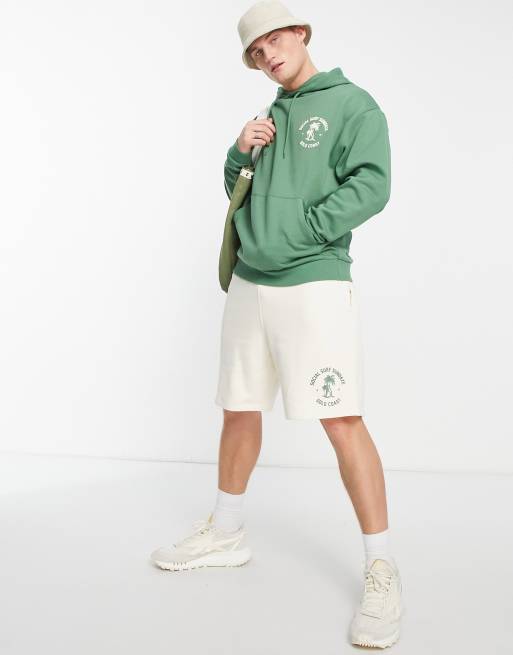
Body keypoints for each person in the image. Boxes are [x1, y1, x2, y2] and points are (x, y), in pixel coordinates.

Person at [150, 0, 403, 648]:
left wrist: (304, 230)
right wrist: (239, 150)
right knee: (238, 408)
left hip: (312, 284)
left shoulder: (353, 106)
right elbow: (237, 188)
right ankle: (227, 530)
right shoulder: (270, 113)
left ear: (299, 32)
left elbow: (371, 185)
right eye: (256, 53)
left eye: (273, 42)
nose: (267, 57)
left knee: (340, 418)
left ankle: (381, 567)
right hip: (249, 284)